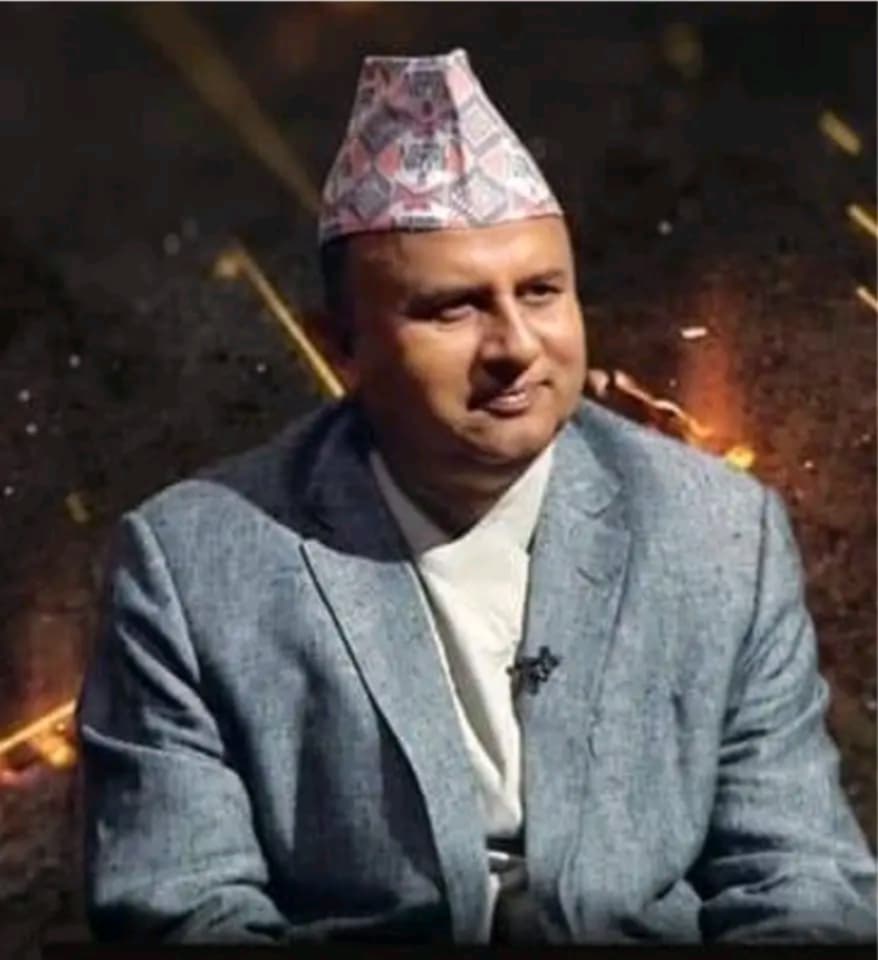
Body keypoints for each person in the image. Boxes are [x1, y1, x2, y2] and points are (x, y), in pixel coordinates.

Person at [77, 48, 876, 944]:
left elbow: (797, 870)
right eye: (453, 308)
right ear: (340, 346)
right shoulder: (192, 568)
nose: (516, 347)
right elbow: (180, 907)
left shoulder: (717, 531)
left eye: (541, 292)